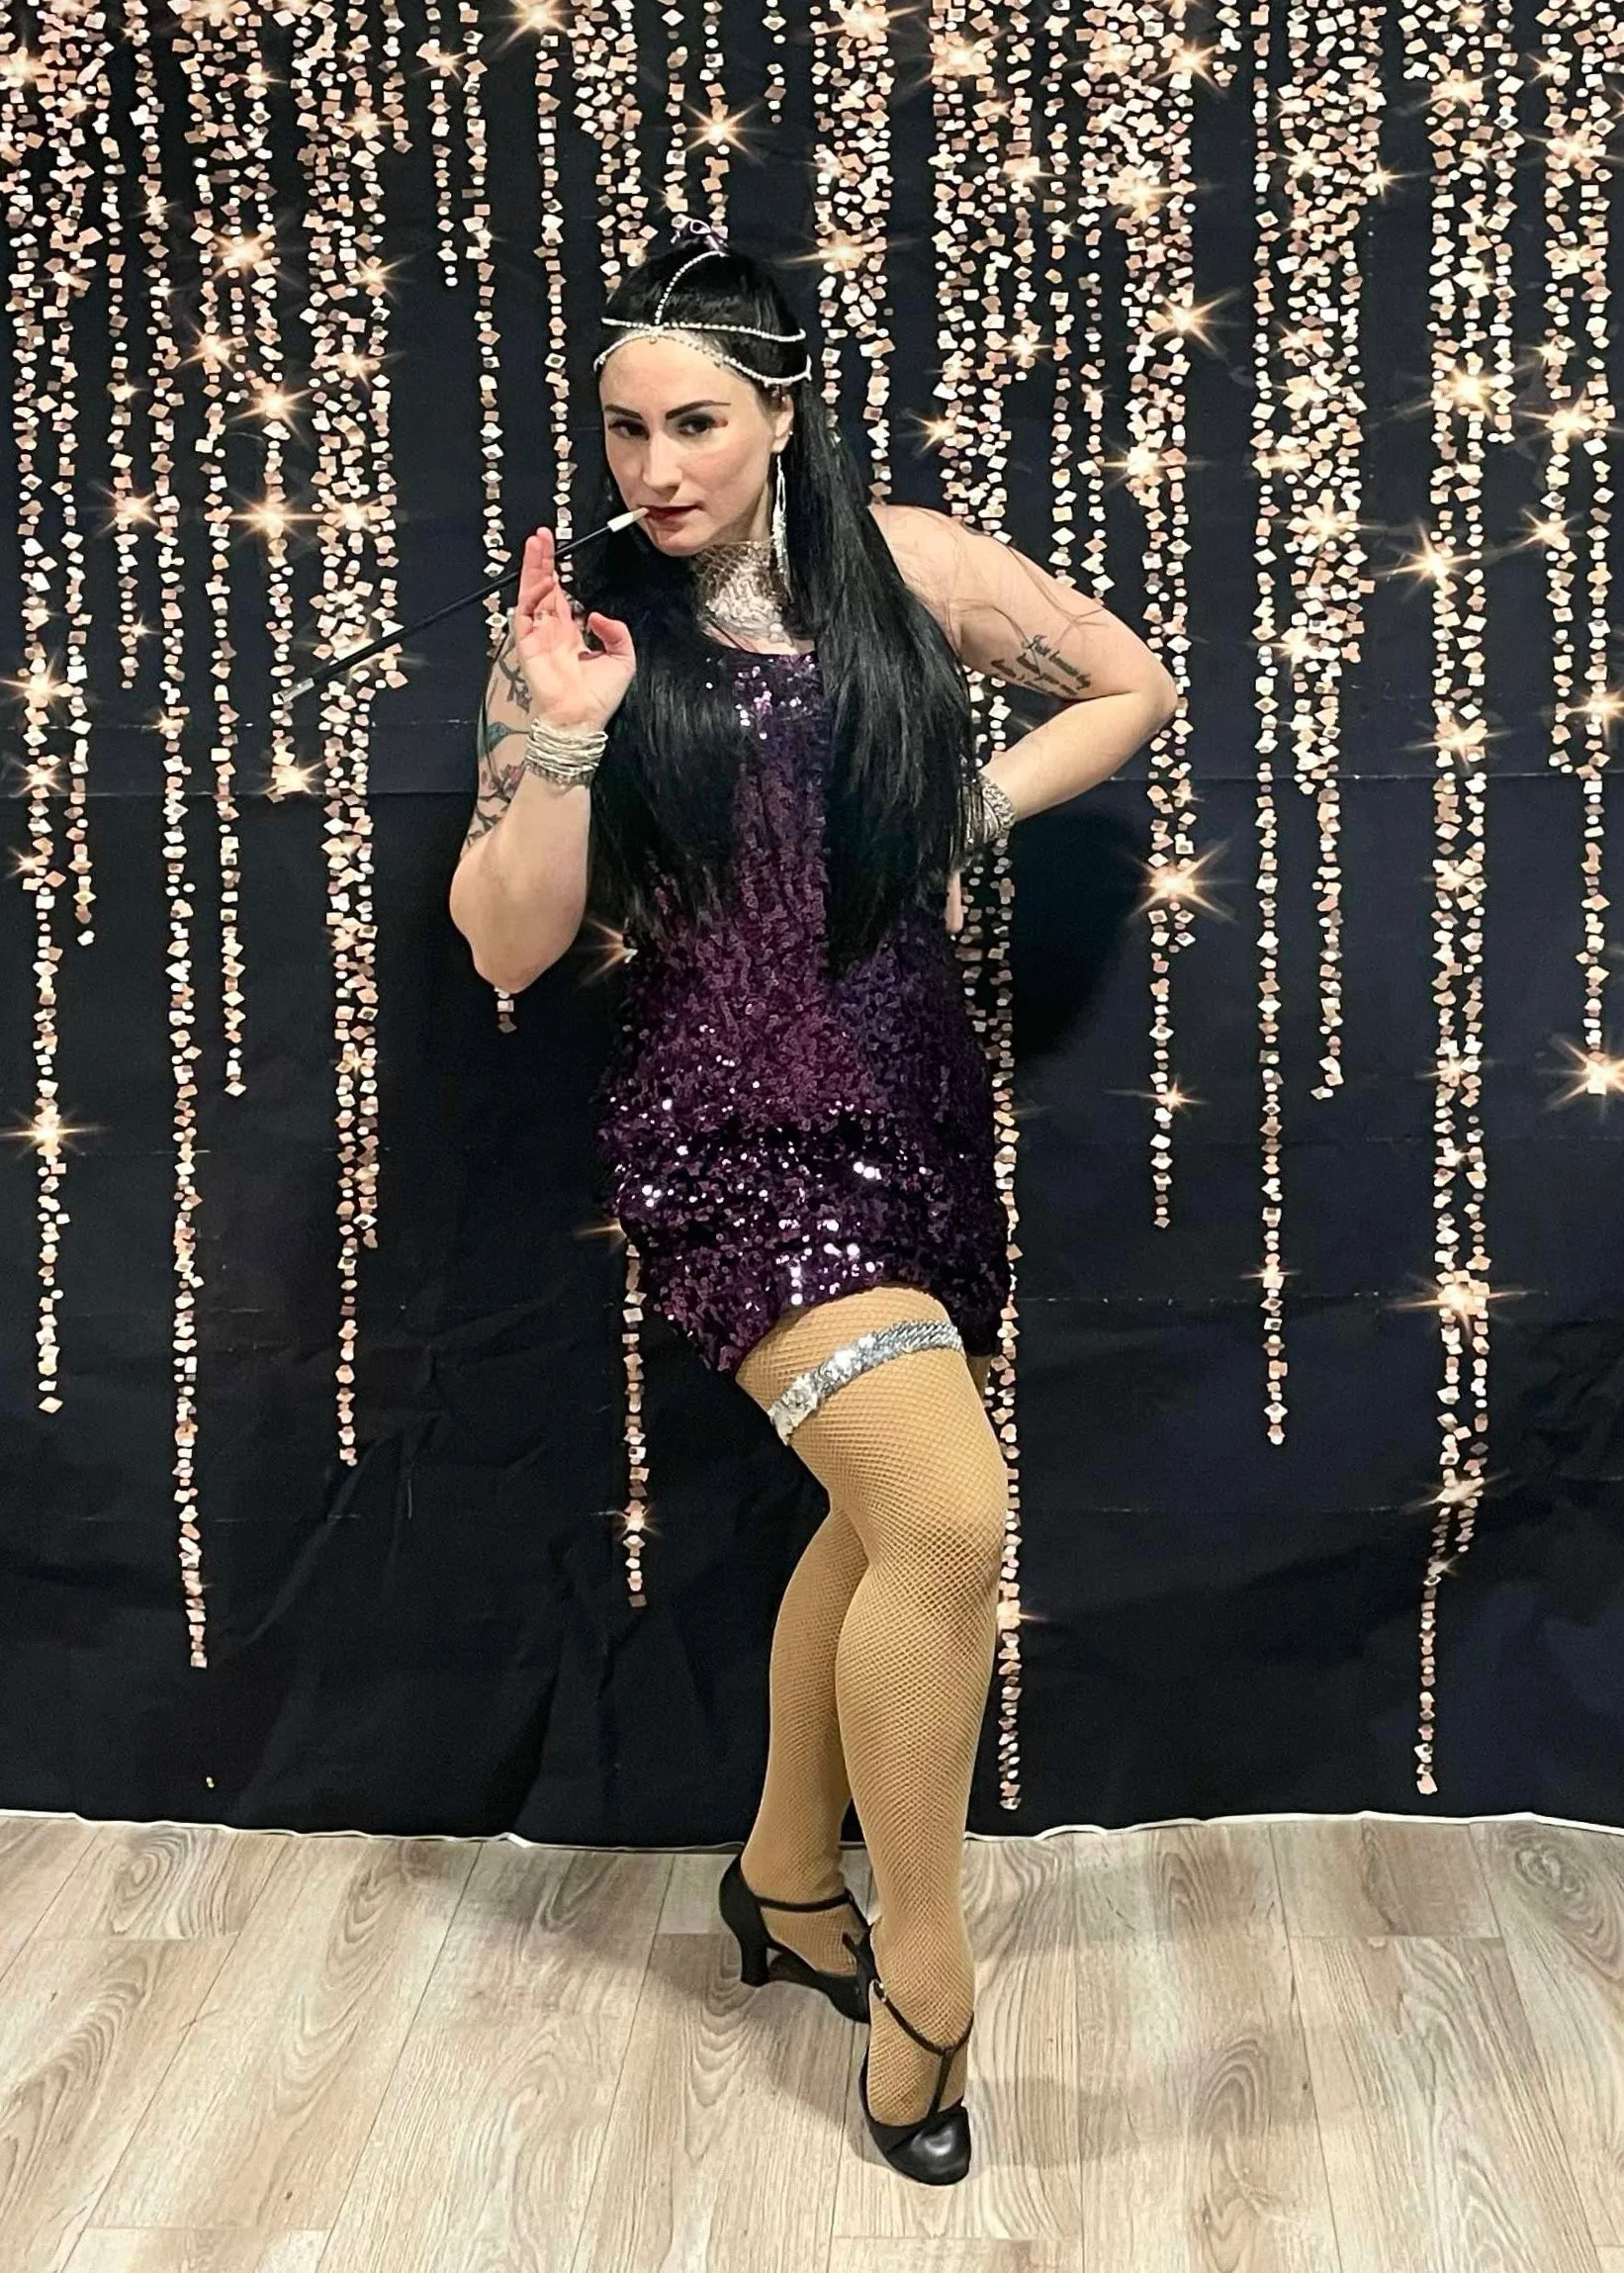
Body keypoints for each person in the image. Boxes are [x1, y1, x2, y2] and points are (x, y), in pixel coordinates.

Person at [448, 214, 1178, 2185]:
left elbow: (1128, 682)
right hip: (720, 1130)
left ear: (780, 414)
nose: (654, 467)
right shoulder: (581, 630)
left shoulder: (901, 565)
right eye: (622, 430)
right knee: (945, 1515)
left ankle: (781, 1876)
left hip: (913, 1109)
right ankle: (926, 1984)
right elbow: (505, 946)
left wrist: (963, 810)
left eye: (692, 422)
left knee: (874, 1527)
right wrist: (554, 738)